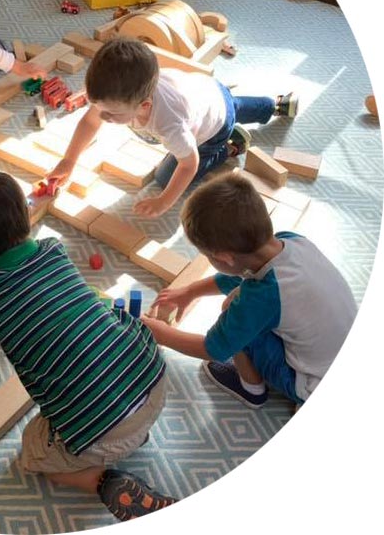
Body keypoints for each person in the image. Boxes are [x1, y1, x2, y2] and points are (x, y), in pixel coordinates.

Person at [0, 169, 177, 522]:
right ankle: (129, 435)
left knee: (33, 453)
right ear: (26, 217)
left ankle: (103, 479)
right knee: (106, 352)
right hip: (155, 378)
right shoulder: (53, 250)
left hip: (101, 429)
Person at [142, 173, 357, 409]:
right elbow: (238, 275)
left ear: (223, 257)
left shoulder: (263, 296)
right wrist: (191, 291)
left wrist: (160, 333)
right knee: (244, 306)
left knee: (234, 313)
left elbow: (212, 348)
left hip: (312, 385)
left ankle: (251, 388)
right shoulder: (291, 241)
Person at [48, 37, 298, 219]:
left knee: (165, 177)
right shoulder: (122, 94)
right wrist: (69, 160)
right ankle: (273, 105)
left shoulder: (169, 124)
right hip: (209, 93)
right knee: (233, 105)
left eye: (111, 113)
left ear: (144, 105)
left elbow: (189, 164)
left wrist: (164, 202)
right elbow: (90, 121)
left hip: (213, 128)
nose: (101, 116)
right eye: (96, 105)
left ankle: (232, 146)